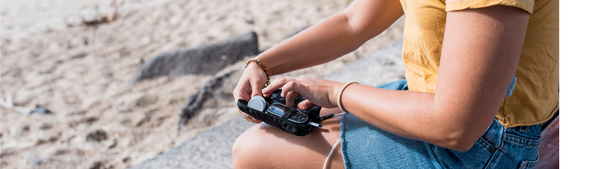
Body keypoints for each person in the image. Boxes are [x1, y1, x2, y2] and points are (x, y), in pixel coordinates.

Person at [232, 0, 558, 168]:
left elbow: (456, 127)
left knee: (252, 151)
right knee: (302, 118)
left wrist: (336, 92)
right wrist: (263, 63)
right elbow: (354, 22)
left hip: (487, 146)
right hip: (438, 103)